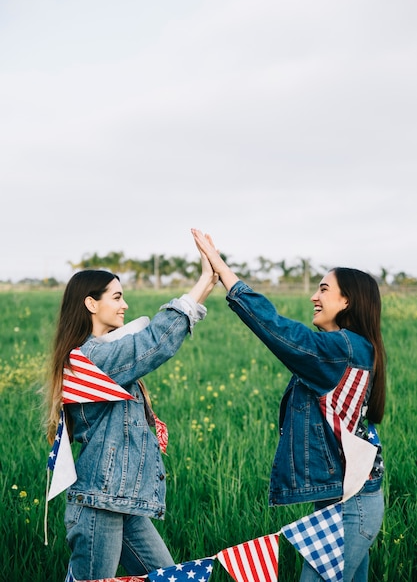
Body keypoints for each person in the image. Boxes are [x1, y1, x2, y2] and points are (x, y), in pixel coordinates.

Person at [191, 229, 386, 582]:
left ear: (348, 302)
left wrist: (223, 270)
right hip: (347, 498)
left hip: (351, 506)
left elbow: (276, 329)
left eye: (324, 289)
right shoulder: (350, 347)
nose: (314, 295)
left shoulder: (340, 349)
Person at [45, 248, 217, 581]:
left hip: (122, 500)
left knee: (172, 577)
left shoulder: (99, 353)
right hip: (99, 504)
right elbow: (153, 343)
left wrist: (208, 280)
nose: (125, 304)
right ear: (91, 304)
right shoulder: (91, 358)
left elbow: (143, 340)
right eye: (117, 297)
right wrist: (198, 285)